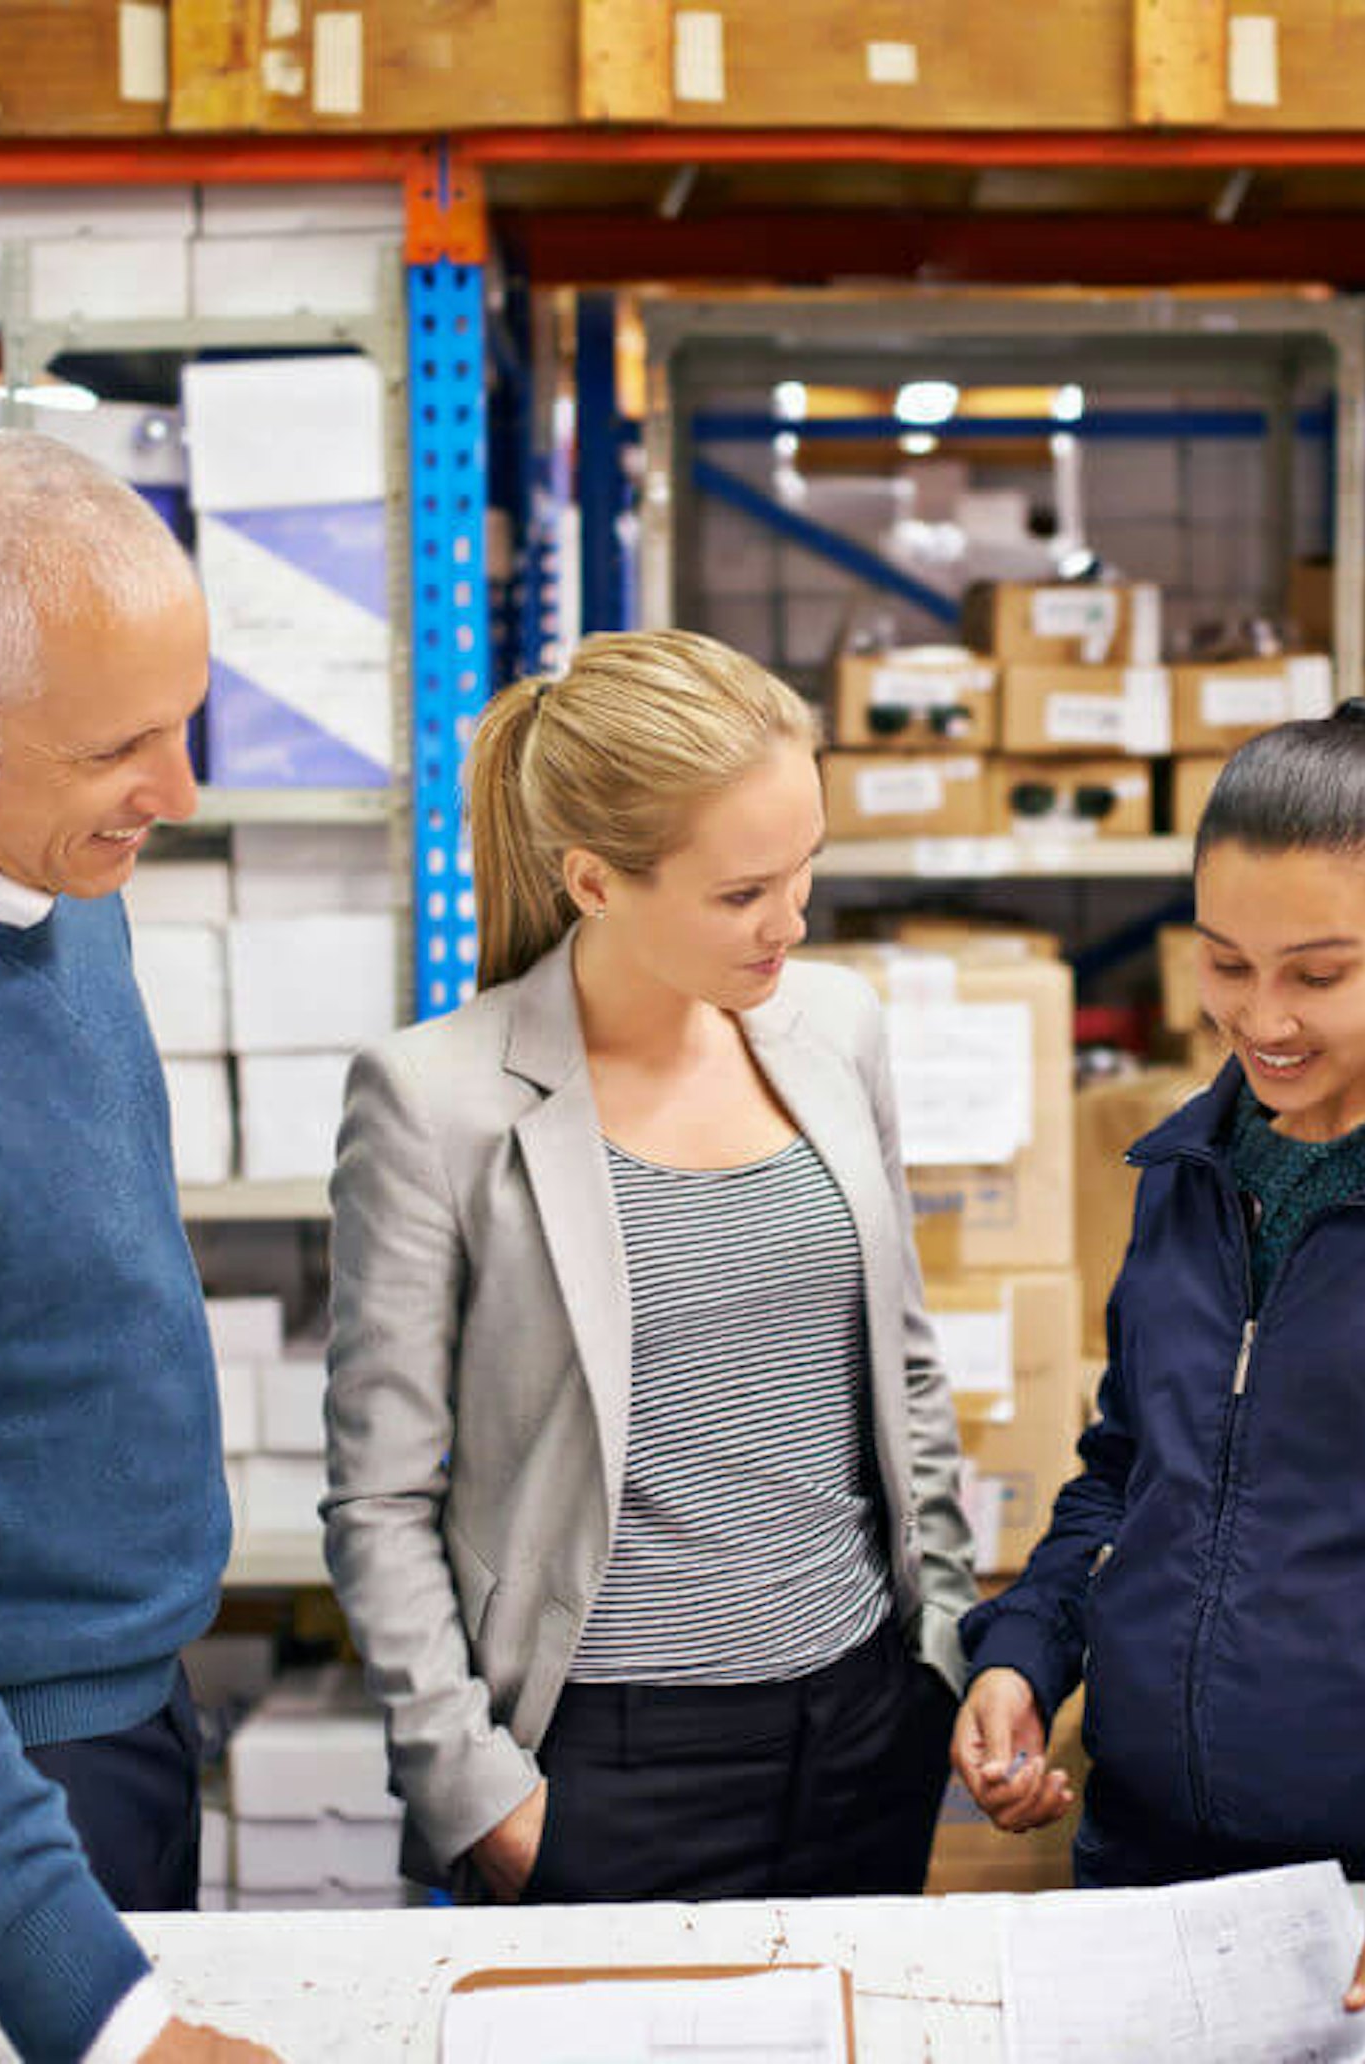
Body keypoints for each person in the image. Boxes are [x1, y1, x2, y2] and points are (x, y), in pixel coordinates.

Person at [323, 628, 976, 1905]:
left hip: (859, 1727)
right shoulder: (433, 1100)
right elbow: (379, 1499)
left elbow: (899, 1368)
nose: (788, 922)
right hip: (606, 1763)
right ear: (594, 880)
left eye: (804, 871)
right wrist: (477, 1790)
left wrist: (940, 1646)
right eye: (741, 895)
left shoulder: (835, 1028)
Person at [951, 701, 1365, 2008]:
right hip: (1146, 1868)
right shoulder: (1188, 1172)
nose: (1263, 1017)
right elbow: (1124, 1477)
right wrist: (1023, 1655)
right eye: (1226, 962)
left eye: (1320, 972)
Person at [0, 433, 281, 2064]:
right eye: (118, 747)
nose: (182, 791)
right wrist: (98, 2008)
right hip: (4, 1774)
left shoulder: (62, 876)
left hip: (133, 1692)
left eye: (188, 716)